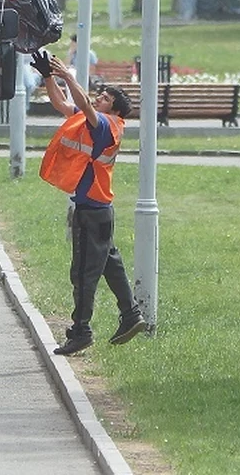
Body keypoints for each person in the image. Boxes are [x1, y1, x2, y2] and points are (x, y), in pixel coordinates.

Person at [29, 50, 145, 355]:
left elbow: (82, 105)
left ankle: (80, 332)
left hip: (92, 213)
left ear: (115, 109)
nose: (98, 99)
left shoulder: (107, 125)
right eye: (100, 95)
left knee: (83, 274)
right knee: (111, 266)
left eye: (105, 97)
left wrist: (68, 75)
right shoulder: (92, 119)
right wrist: (48, 77)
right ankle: (131, 315)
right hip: (98, 210)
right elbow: (63, 104)